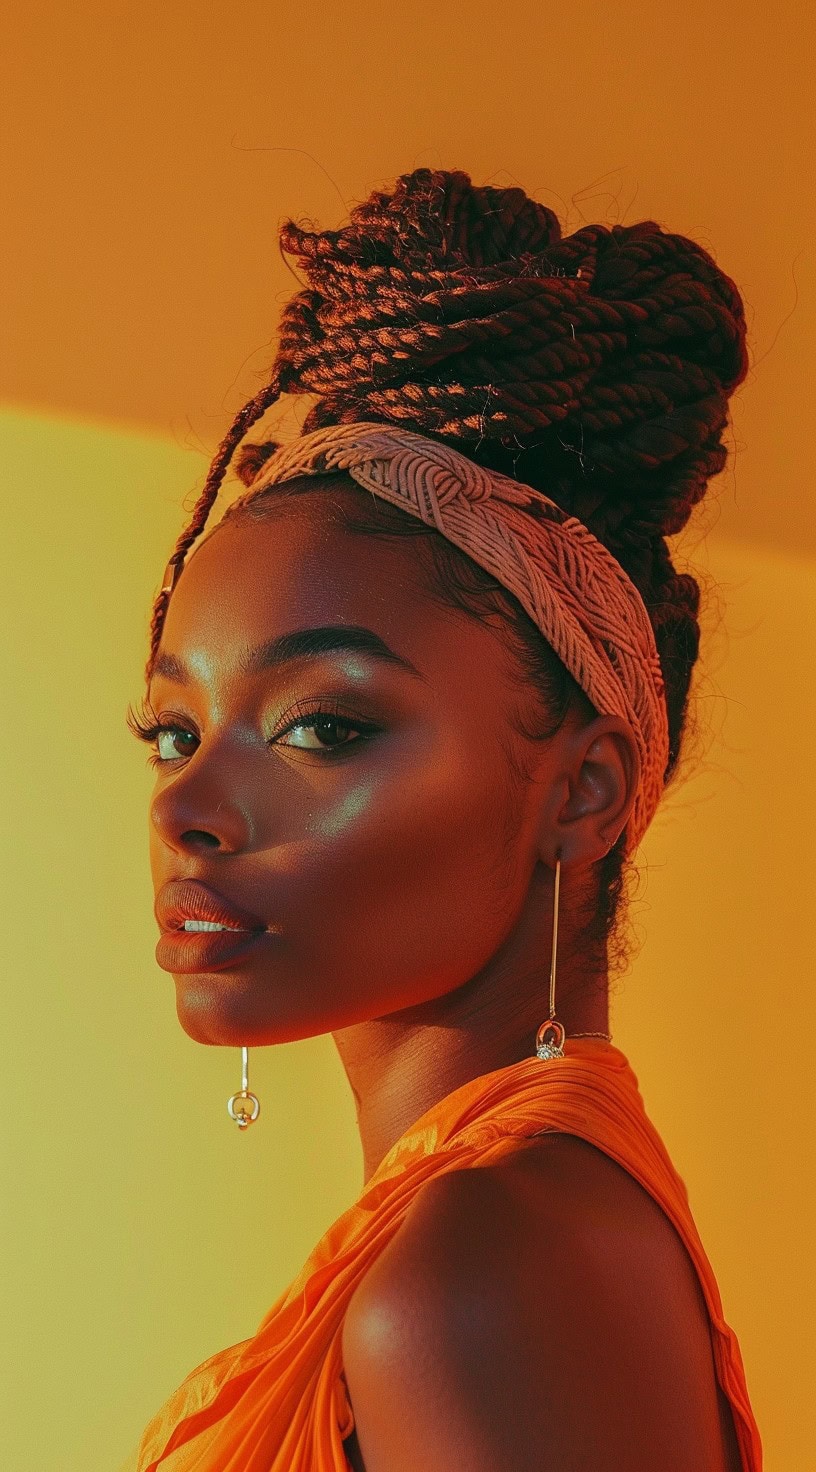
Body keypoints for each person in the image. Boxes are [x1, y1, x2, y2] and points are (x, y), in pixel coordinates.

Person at [120, 167, 763, 1470]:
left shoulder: (485, 1271)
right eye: (176, 733)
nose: (187, 806)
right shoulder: (522, 1224)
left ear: (579, 791)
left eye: (322, 727)